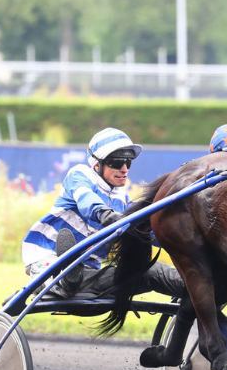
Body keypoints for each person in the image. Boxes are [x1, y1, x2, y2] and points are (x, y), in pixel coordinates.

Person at [21, 127, 186, 299]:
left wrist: (176, 238)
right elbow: (86, 199)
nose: (124, 168)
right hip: (46, 259)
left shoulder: (122, 200)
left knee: (153, 272)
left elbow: (149, 233)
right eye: (117, 162)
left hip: (89, 275)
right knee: (61, 273)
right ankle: (61, 279)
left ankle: (204, 290)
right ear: (97, 164)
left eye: (128, 162)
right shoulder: (80, 175)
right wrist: (105, 214)